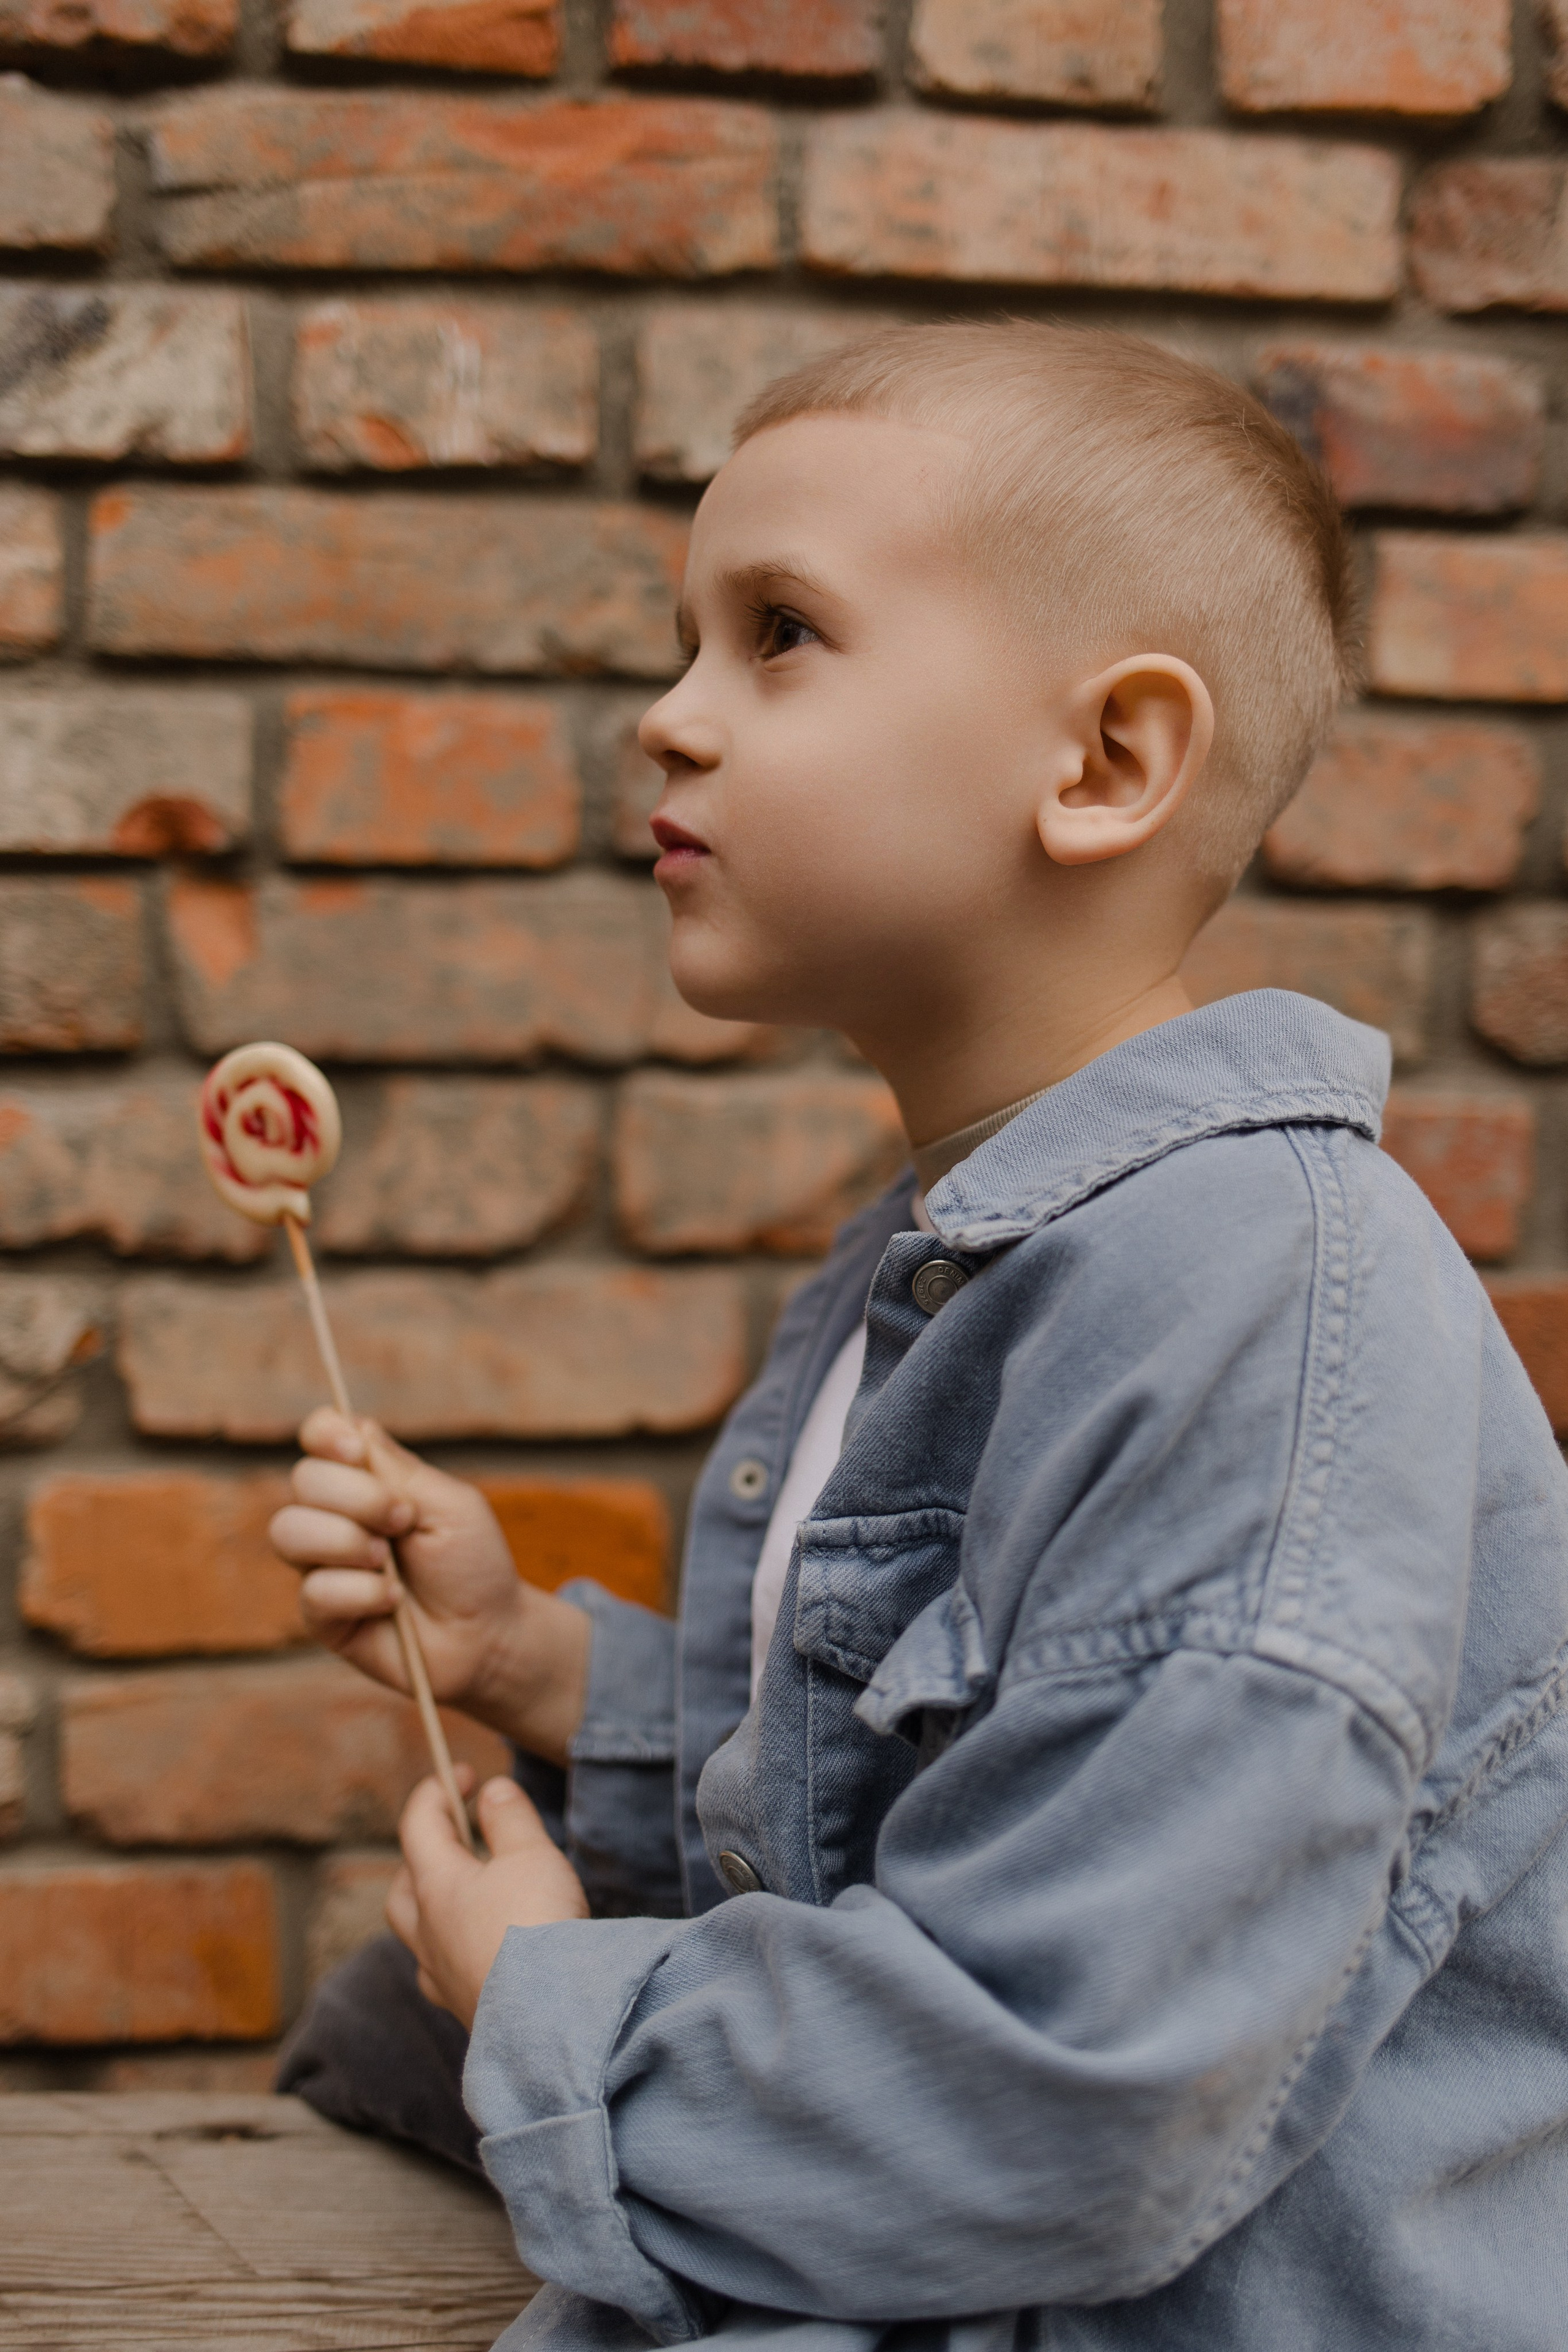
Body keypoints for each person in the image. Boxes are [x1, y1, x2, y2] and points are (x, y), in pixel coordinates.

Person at [271, 322, 1568, 2351]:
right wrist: (527, 1661)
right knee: (377, 2048)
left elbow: (1078, 2086)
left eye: (778, 634)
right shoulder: (973, 1253)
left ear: (1106, 761)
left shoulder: (1253, 1296)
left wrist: (547, 2002)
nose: (667, 721)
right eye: (686, 637)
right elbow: (916, 1787)